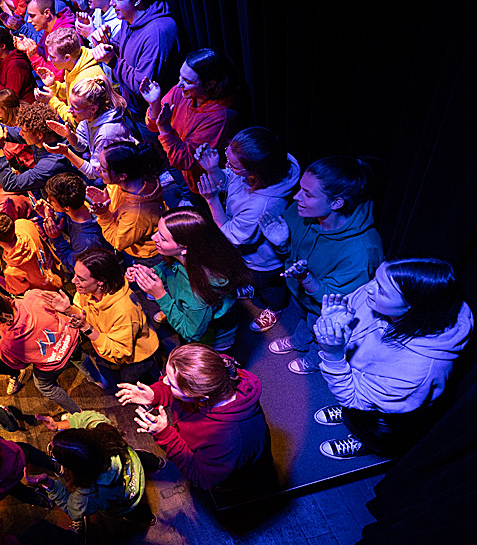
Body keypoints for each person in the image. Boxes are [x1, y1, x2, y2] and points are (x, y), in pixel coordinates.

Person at [312, 258, 474, 459]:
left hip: (383, 415)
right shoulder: (378, 294)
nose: (368, 288)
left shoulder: (418, 370)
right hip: (365, 386)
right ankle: (353, 411)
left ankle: (363, 441)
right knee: (353, 409)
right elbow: (356, 302)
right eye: (375, 279)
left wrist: (333, 355)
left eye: (381, 290)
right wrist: (333, 325)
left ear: (411, 307)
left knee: (372, 429)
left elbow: (352, 397)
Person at [258, 156, 385, 374]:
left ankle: (316, 357)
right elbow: (292, 254)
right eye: (301, 189)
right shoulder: (303, 211)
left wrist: (306, 278)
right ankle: (299, 341)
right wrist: (282, 244)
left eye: (307, 194)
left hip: (327, 309)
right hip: (301, 295)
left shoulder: (361, 251)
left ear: (336, 203)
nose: (296, 197)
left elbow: (337, 303)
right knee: (305, 319)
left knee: (320, 330)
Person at [118, 343, 270, 491]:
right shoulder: (214, 372)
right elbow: (177, 385)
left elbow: (200, 477)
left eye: (172, 384)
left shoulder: (229, 440)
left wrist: (166, 435)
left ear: (201, 397)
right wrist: (155, 394)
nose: (164, 381)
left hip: (234, 475)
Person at [193, 129, 301, 334]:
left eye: (233, 165)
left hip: (263, 261)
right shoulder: (257, 172)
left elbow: (230, 234)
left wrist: (212, 200)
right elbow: (229, 179)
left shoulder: (262, 204)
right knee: (249, 277)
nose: (227, 165)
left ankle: (277, 308)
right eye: (227, 156)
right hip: (247, 254)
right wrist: (213, 169)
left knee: (266, 285)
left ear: (254, 171)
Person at [27, 410, 160, 545]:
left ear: (71, 467)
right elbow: (85, 417)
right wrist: (58, 425)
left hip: (126, 503)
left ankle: (149, 519)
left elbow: (72, 510)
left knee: (132, 511)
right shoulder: (103, 430)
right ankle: (158, 463)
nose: (50, 443)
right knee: (143, 458)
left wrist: (49, 485)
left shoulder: (86, 493)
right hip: (135, 469)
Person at [127, 208, 250, 351]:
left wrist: (161, 296)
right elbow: (171, 267)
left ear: (184, 248)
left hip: (211, 335)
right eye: (158, 231)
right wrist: (153, 272)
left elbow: (191, 334)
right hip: (195, 315)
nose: (154, 237)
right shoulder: (196, 255)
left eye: (163, 238)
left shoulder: (198, 295)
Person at [91, 0, 181, 140]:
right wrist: (106, 43)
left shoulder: (158, 32)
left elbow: (143, 87)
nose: (111, 3)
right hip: (134, 112)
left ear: (137, 0)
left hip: (153, 121)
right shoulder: (129, 18)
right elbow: (120, 46)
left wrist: (112, 61)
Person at [140, 48, 242, 195]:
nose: (179, 84)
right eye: (180, 77)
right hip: (189, 179)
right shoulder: (181, 92)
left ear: (209, 84)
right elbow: (153, 126)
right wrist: (154, 104)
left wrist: (164, 126)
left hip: (210, 186)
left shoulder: (220, 116)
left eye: (187, 81)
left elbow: (186, 160)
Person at [0, 288, 89, 413]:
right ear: (7, 298)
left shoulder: (6, 345)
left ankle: (77, 413)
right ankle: (100, 380)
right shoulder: (33, 296)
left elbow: (21, 365)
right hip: (71, 337)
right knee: (80, 357)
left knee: (45, 386)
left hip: (54, 363)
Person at [67, 248, 162, 390]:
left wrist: (87, 328)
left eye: (81, 278)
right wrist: (67, 309)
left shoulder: (124, 310)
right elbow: (81, 310)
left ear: (101, 281)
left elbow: (119, 350)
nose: (73, 281)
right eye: (75, 275)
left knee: (136, 383)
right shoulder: (86, 291)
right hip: (110, 352)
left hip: (135, 359)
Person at [84, 142, 165, 266]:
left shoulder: (136, 214)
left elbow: (118, 241)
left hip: (147, 256)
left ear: (122, 176)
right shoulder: (135, 180)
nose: (97, 169)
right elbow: (115, 194)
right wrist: (106, 199)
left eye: (103, 169)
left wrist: (104, 215)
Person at [47, 76, 136, 181]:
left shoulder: (106, 135)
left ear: (93, 109)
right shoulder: (88, 117)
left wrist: (67, 153)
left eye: (75, 108)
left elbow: (95, 173)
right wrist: (69, 135)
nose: (69, 111)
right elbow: (82, 146)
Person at [0, 101, 81, 198]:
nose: (20, 133)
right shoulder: (44, 134)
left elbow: (10, 183)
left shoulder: (52, 163)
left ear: (39, 135)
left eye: (23, 131)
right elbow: (12, 132)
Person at [39, 172, 113, 273]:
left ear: (66, 208)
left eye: (52, 200)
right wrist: (53, 217)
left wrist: (56, 238)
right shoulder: (83, 200)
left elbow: (73, 266)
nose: (48, 200)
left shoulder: (85, 242)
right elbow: (66, 217)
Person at [34, 26, 105, 125]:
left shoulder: (86, 79)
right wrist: (53, 85)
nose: (49, 59)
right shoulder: (75, 64)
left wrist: (52, 101)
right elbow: (70, 91)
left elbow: (76, 120)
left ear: (67, 57)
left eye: (53, 56)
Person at [0, 211, 63, 295]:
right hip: (57, 271)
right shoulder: (23, 224)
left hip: (50, 293)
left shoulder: (12, 271)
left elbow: (11, 288)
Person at [16, 0, 75, 81]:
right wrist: (29, 48)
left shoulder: (63, 35)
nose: (28, 20)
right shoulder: (49, 29)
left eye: (32, 16)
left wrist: (34, 57)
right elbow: (44, 54)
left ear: (47, 13)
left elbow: (57, 78)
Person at [0, 26, 35, 102]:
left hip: (23, 105)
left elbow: (11, 97)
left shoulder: (16, 64)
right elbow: (0, 81)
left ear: (3, 46)